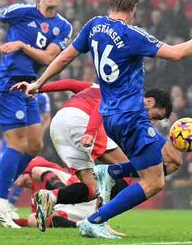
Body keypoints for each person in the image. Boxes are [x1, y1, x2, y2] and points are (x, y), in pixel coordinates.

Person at [14, 0, 192, 239]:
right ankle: (95, 220)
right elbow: (177, 54)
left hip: (110, 118)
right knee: (154, 182)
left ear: (111, 2)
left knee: (173, 159)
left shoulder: (93, 26)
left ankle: (111, 172)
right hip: (131, 116)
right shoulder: (133, 35)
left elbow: (63, 59)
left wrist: (38, 83)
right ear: (134, 7)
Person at [0, 0, 72, 228]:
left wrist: (21, 44)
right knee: (17, 143)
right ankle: (0, 203)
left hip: (30, 86)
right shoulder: (22, 11)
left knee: (34, 146)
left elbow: (48, 58)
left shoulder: (63, 26)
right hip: (7, 83)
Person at [34, 79, 182, 232]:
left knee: (93, 188)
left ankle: (51, 197)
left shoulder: (97, 87)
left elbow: (70, 84)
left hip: (59, 124)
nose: (152, 122)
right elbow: (101, 104)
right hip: (82, 120)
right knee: (123, 171)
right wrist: (90, 132)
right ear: (149, 101)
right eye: (155, 116)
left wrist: (38, 88)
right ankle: (99, 221)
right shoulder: (129, 96)